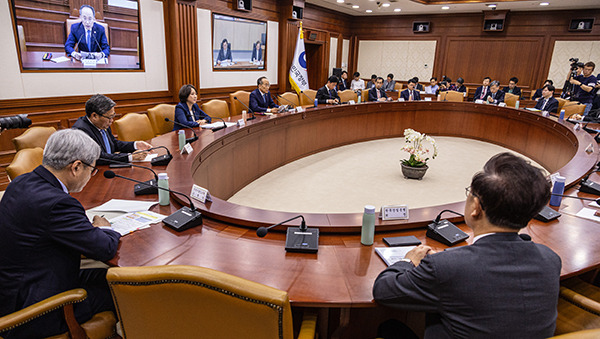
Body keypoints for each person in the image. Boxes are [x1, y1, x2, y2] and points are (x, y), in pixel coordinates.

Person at [373, 152, 560, 338]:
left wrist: (408, 261)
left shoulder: (447, 267)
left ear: (476, 208)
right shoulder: (550, 259)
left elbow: (383, 290)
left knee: (389, 328)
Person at [0, 129, 121, 338]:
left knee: (113, 277)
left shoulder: (21, 181)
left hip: (16, 287)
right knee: (126, 290)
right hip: (37, 308)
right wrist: (104, 227)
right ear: (76, 167)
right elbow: (104, 247)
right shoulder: (58, 203)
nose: (92, 175)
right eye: (92, 169)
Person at [72, 94, 153, 166]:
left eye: (113, 116)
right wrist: (130, 157)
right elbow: (98, 158)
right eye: (109, 117)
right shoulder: (81, 131)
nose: (112, 120)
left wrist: (135, 145)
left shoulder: (102, 123)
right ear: (94, 116)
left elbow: (113, 144)